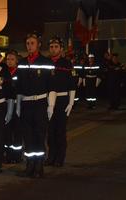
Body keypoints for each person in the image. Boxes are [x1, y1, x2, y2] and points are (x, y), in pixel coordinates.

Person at [15, 32, 55, 178]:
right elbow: (18, 87)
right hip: (26, 104)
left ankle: (39, 166)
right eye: (27, 43)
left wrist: (50, 106)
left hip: (40, 104)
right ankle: (29, 165)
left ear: (38, 44)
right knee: (28, 137)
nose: (29, 46)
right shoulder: (22, 63)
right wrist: (18, 105)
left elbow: (51, 86)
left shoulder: (47, 62)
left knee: (39, 136)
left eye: (32, 43)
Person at [46, 36, 76, 167]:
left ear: (61, 48)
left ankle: (60, 157)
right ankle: (51, 156)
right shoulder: (45, 62)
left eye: (56, 47)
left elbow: (72, 83)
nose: (53, 49)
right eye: (51, 47)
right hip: (47, 100)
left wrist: (71, 102)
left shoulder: (66, 63)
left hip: (62, 99)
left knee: (60, 130)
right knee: (50, 130)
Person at [4, 49, 23, 163]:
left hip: (17, 105)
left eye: (12, 59)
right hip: (5, 105)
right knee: (6, 131)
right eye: (7, 59)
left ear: (16, 61)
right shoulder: (3, 72)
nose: (9, 61)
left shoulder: (20, 72)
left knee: (17, 131)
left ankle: (17, 156)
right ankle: (8, 155)